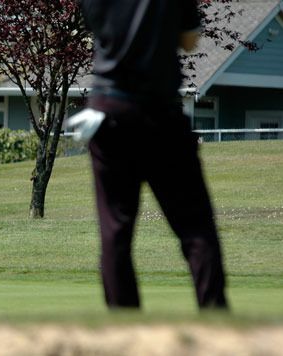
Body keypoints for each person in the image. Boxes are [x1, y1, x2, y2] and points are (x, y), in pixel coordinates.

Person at [80, 0, 228, 309]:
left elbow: (98, 31)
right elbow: (189, 41)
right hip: (160, 113)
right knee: (195, 226)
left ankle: (125, 328)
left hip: (108, 110)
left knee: (116, 229)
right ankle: (216, 318)